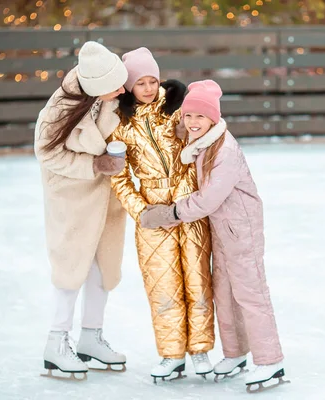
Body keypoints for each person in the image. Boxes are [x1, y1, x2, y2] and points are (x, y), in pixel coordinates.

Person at [140, 80, 287, 392]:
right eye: (188, 116)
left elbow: (208, 199)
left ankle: (271, 360)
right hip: (222, 229)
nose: (192, 122)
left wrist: (170, 214)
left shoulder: (225, 151)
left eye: (200, 117)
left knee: (250, 293)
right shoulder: (202, 143)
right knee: (223, 293)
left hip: (241, 230)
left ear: (213, 119)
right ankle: (235, 354)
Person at [110, 48, 214, 381]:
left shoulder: (176, 111)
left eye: (153, 81)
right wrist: (141, 211)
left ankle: (200, 350)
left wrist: (188, 197)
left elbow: (201, 138)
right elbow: (119, 176)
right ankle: (172, 354)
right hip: (153, 210)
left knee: (197, 279)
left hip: (188, 204)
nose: (149, 88)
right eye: (140, 82)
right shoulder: (120, 125)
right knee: (163, 284)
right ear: (129, 87)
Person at [34, 41, 128, 379]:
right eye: (114, 85)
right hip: (73, 197)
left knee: (103, 266)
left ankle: (91, 337)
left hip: (106, 197)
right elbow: (47, 154)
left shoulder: (111, 95)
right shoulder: (58, 110)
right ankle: (56, 341)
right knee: (71, 267)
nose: (122, 89)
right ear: (96, 87)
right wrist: (95, 165)